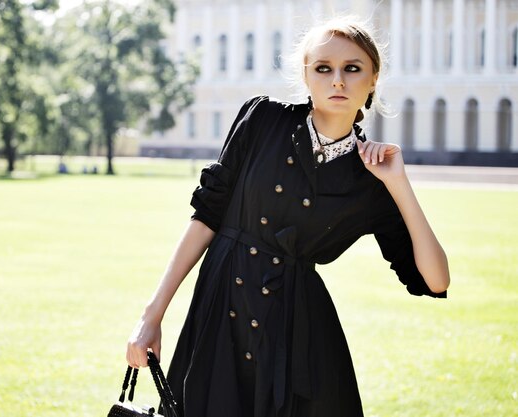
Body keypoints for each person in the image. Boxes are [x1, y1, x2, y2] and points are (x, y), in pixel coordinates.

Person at [127, 16, 450, 417]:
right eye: (323, 68)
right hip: (220, 314)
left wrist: (399, 185)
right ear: (305, 74)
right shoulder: (262, 120)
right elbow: (206, 217)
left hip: (299, 338)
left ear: (373, 80)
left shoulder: (372, 179)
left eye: (352, 69)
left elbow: (435, 281)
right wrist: (152, 315)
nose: (337, 81)